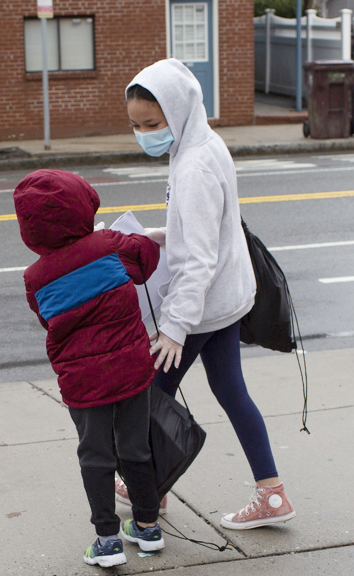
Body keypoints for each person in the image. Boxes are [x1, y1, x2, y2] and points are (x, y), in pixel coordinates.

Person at [118, 58, 296, 530]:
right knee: (231, 391)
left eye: (152, 123)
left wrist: (174, 327)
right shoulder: (200, 143)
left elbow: (197, 260)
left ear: (177, 112)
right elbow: (207, 230)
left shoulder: (193, 165)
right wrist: (160, 234)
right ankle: (272, 494)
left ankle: (151, 492)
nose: (144, 133)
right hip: (225, 298)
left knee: (152, 392)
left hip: (201, 306)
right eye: (136, 125)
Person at [16, 169, 165, 568]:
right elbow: (147, 258)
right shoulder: (108, 245)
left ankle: (106, 540)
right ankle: (148, 527)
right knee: (136, 448)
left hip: (83, 382)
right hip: (132, 368)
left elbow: (48, 318)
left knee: (95, 454)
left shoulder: (35, 277)